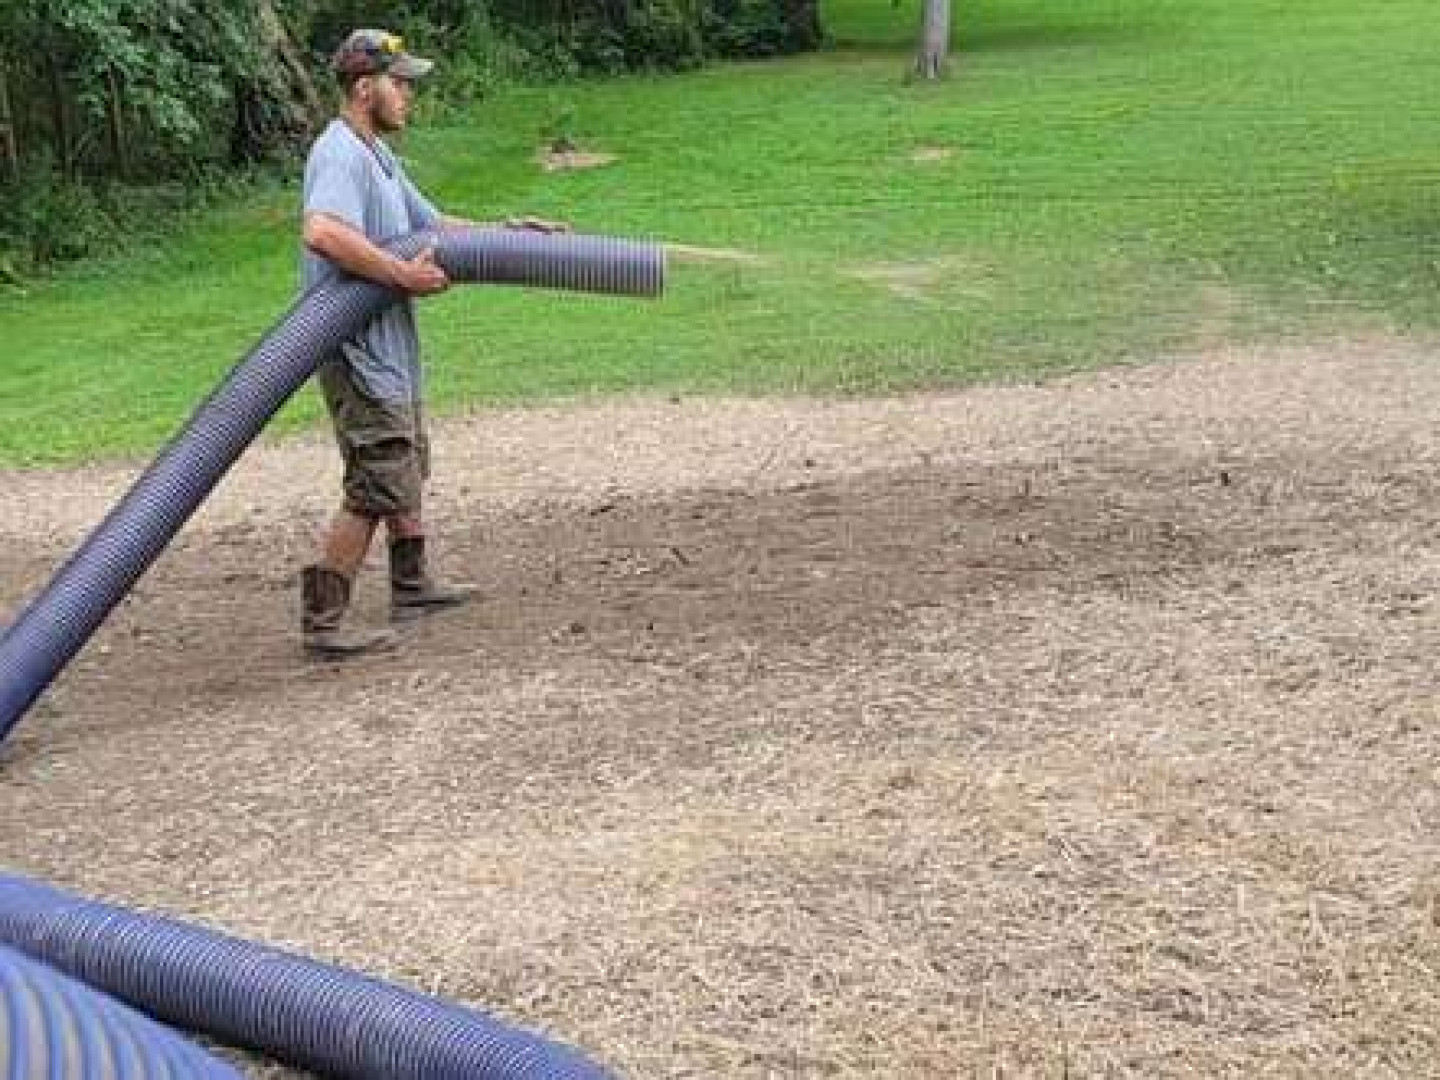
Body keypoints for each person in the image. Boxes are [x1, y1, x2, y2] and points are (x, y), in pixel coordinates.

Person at [299, 28, 563, 658]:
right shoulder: (339, 154)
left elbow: (435, 225)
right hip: (358, 352)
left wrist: (508, 234)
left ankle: (411, 583)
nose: (409, 95)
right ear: (366, 88)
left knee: (405, 461)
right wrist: (401, 275)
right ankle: (322, 622)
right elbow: (323, 232)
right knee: (376, 479)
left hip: (389, 350)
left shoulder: (380, 158)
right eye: (400, 83)